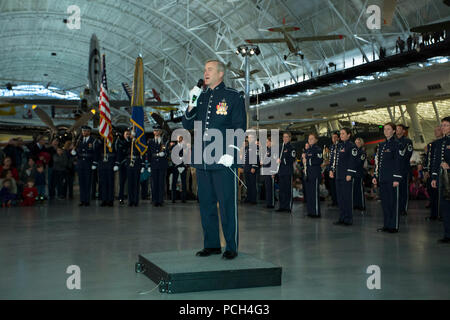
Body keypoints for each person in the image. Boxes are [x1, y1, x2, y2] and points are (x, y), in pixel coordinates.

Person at [182, 59, 246, 260]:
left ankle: (231, 246)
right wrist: (191, 103)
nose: (205, 73)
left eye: (209, 69)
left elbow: (239, 126)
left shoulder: (233, 96)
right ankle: (211, 244)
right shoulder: (200, 97)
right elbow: (186, 123)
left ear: (220, 74)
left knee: (227, 204)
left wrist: (232, 152)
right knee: (206, 204)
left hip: (224, 159)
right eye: (204, 69)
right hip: (202, 160)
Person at [373, 123, 404, 233]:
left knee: (393, 203)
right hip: (383, 178)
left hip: (392, 178)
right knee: (385, 203)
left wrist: (396, 178)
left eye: (388, 129)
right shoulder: (382, 145)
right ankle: (386, 224)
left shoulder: (397, 144)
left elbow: (398, 162)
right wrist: (375, 176)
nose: (386, 131)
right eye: (385, 129)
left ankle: (393, 226)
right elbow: (378, 163)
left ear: (394, 131)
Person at [331, 128, 358, 226]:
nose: (341, 135)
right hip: (339, 175)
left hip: (346, 175)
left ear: (349, 135)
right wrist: (332, 170)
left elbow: (352, 161)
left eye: (343, 133)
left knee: (347, 198)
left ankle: (348, 219)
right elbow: (335, 160)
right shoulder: (339, 145)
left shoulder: (352, 146)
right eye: (340, 133)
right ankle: (342, 217)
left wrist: (350, 173)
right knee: (340, 198)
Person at [430, 116, 450, 243]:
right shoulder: (438, 143)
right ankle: (447, 234)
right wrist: (434, 177)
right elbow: (435, 161)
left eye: (446, 125)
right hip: (442, 178)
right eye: (442, 125)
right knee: (445, 206)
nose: (443, 128)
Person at [72, 126, 97, 206]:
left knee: (87, 182)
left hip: (88, 163)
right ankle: (82, 200)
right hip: (80, 164)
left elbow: (95, 153)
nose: (84, 133)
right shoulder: (79, 140)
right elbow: (77, 150)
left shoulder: (93, 140)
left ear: (89, 132)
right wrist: (74, 152)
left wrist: (94, 163)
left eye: (86, 131)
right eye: (83, 131)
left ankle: (87, 200)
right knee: (81, 182)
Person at [425, 126, 443, 221]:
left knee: (441, 194)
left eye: (438, 130)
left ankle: (440, 214)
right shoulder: (431, 145)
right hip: (431, 172)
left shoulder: (444, 143)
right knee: (432, 193)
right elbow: (429, 158)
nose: (436, 132)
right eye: (435, 130)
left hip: (440, 172)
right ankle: (434, 214)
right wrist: (426, 170)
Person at [303, 133, 323, 218]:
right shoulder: (308, 150)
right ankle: (311, 211)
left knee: (314, 193)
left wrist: (308, 160)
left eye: (312, 138)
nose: (310, 140)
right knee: (309, 194)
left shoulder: (318, 149)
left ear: (316, 140)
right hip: (308, 173)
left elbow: (319, 161)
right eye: (309, 138)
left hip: (315, 173)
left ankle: (316, 212)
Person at [276, 132, 296, 213]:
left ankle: (288, 207)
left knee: (288, 190)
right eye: (284, 137)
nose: (285, 138)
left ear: (290, 138)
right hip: (281, 171)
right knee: (281, 190)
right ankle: (282, 206)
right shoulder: (280, 147)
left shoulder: (292, 148)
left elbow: (292, 159)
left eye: (286, 137)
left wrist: (283, 161)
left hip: (288, 171)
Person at [148, 125, 169, 207]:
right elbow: (149, 154)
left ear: (161, 132)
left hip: (162, 164)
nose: (156, 132)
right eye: (155, 131)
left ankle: (160, 200)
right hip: (153, 164)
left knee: (161, 183)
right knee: (154, 183)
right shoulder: (151, 142)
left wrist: (164, 154)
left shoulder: (164, 141)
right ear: (153, 132)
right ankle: (154, 200)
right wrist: (149, 165)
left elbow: (167, 152)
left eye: (158, 131)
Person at [395, 124, 413, 216]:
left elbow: (408, 154)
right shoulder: (393, 140)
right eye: (396, 129)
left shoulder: (407, 141)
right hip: (394, 170)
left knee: (403, 190)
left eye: (399, 129)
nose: (397, 130)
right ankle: (396, 207)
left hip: (404, 169)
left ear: (403, 131)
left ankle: (403, 209)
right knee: (394, 190)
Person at [96, 138, 117, 207]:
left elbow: (116, 153)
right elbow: (96, 151)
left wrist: (116, 163)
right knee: (103, 184)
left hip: (110, 165)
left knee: (110, 183)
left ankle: (110, 200)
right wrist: (101, 141)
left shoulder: (113, 143)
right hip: (102, 165)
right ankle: (104, 200)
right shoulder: (101, 143)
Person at [126, 131, 143, 207]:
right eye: (131, 133)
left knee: (136, 183)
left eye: (133, 133)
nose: (131, 135)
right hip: (129, 163)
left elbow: (142, 152)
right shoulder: (128, 142)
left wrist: (142, 165)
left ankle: (136, 200)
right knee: (130, 183)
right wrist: (130, 140)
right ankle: (130, 200)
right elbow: (124, 147)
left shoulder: (139, 142)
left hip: (136, 164)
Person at [115, 128, 132, 205]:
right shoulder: (121, 142)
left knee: (131, 182)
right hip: (123, 164)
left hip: (131, 164)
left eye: (129, 134)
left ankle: (131, 198)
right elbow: (119, 153)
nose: (128, 135)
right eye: (126, 134)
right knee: (122, 182)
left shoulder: (132, 142)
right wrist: (117, 163)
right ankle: (121, 197)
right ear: (124, 135)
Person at [170, 135, 189, 203]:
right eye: (178, 137)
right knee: (174, 182)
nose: (179, 138)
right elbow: (172, 156)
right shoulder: (173, 146)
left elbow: (188, 155)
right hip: (176, 166)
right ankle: (173, 198)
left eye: (181, 137)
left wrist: (186, 163)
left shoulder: (186, 146)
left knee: (184, 183)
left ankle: (183, 198)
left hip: (183, 166)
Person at [243, 131, 259, 204]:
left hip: (252, 168)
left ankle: (253, 199)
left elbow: (256, 157)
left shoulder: (255, 147)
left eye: (250, 137)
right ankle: (248, 198)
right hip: (246, 168)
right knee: (248, 184)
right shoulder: (247, 147)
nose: (249, 139)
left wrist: (254, 167)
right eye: (248, 137)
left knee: (253, 184)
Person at [260, 136, 276, 208]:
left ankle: (271, 203)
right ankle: (268, 203)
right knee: (267, 188)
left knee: (270, 188)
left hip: (270, 171)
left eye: (267, 142)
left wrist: (273, 172)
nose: (266, 143)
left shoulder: (273, 150)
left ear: (271, 142)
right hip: (266, 170)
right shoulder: (268, 150)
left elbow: (274, 162)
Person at [353, 137, 367, 211]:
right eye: (356, 142)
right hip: (353, 173)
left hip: (359, 173)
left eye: (358, 142)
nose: (357, 144)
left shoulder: (362, 152)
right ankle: (355, 204)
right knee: (354, 189)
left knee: (360, 189)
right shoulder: (354, 151)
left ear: (361, 143)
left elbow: (359, 162)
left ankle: (362, 205)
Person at [327, 132, 339, 207]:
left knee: (338, 187)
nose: (334, 139)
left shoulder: (340, 146)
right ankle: (334, 201)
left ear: (338, 138)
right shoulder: (331, 147)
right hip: (332, 170)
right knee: (332, 187)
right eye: (332, 137)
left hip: (338, 170)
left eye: (335, 137)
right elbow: (331, 159)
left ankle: (338, 201)